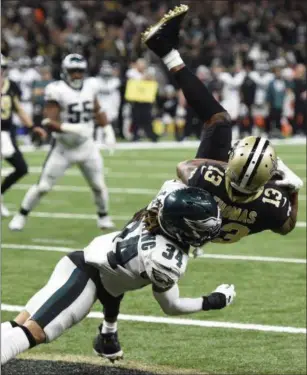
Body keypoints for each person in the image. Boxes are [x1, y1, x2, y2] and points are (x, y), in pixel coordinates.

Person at [1, 181, 236, 365]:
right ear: (180, 228)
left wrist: (108, 330)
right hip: (87, 278)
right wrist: (212, 301)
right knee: (35, 332)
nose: (209, 232)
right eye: (202, 228)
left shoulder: (162, 204)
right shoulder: (163, 260)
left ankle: (106, 336)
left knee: (19, 324)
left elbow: (115, 287)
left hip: (80, 263)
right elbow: (171, 306)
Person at [142, 4, 303, 251]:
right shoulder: (272, 204)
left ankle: (166, 50)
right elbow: (287, 226)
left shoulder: (210, 177)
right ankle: (167, 49)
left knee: (219, 121)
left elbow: (185, 167)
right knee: (222, 122)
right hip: (213, 225)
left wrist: (233, 167)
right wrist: (293, 191)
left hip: (195, 213)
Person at [9, 53, 116, 231]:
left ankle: (103, 217)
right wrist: (73, 128)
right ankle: (21, 214)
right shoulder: (56, 89)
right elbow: (48, 122)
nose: (77, 75)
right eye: (73, 71)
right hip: (63, 148)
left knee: (99, 186)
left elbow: (98, 109)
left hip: (86, 146)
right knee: (43, 187)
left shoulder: (90, 86)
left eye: (80, 71)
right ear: (65, 72)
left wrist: (108, 130)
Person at [1, 54, 46, 217]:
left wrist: (33, 127)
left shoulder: (10, 86)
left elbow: (18, 109)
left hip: (6, 132)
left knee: (21, 168)